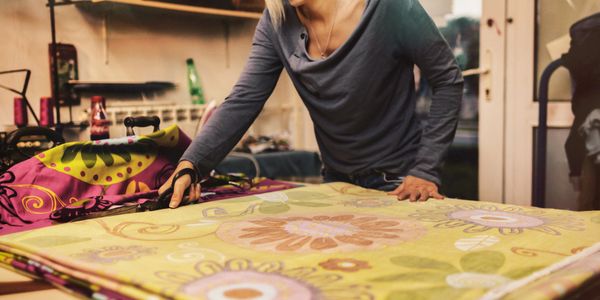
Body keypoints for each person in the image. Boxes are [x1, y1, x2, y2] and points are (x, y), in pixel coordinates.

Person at [159, 0, 463, 208]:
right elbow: (244, 99)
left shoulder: (390, 8)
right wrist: (192, 164)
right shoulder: (276, 22)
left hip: (399, 182)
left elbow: (448, 79)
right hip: (336, 181)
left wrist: (425, 170)